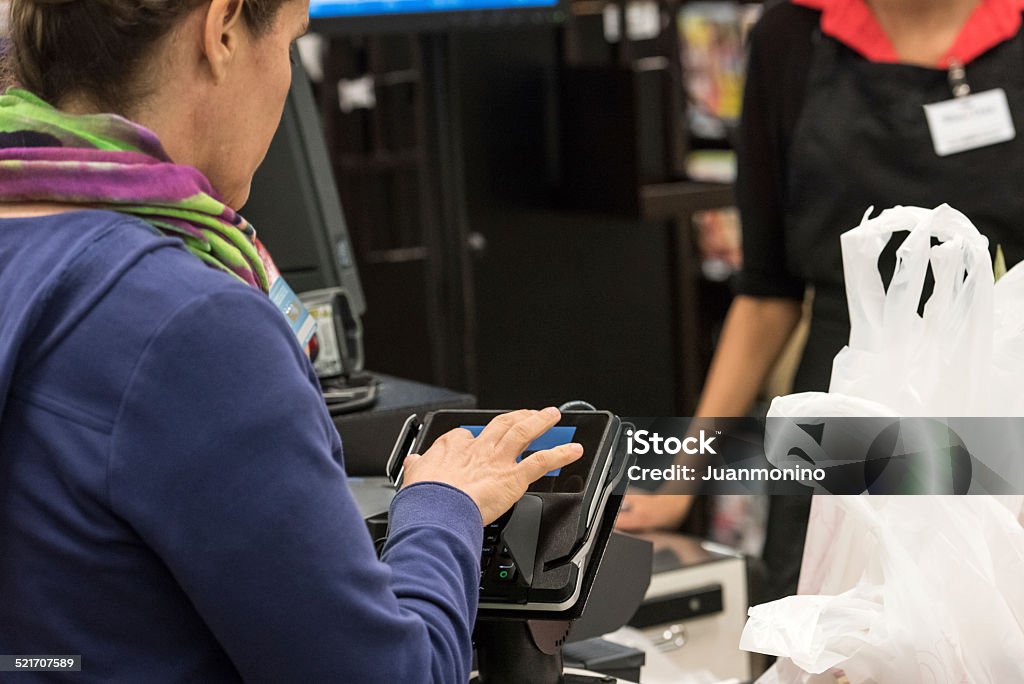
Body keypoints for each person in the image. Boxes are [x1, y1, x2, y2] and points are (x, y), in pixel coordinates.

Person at [0, 0, 584, 681]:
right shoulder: (192, 325)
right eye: (290, 43)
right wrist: (442, 506)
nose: (286, 78)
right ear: (221, 29)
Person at [617, 0, 1024, 602]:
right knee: (818, 634)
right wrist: (682, 480)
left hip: (1000, 408)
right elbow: (766, 294)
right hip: (838, 417)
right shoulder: (792, 35)